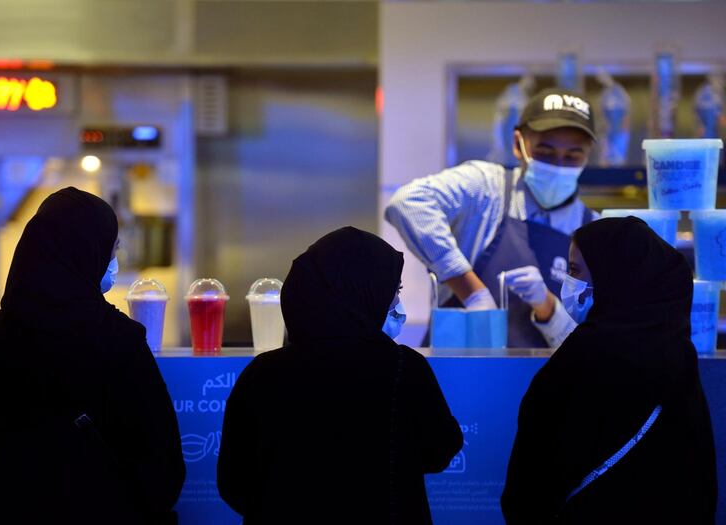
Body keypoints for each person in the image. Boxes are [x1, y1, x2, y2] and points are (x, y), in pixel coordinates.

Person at [0, 187, 185, 525]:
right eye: (112, 249)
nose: (114, 260)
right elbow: (162, 467)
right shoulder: (119, 339)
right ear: (88, 253)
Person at [217, 226, 463, 524]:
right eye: (392, 292)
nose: (395, 303)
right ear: (366, 293)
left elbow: (234, 483)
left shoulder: (261, 374)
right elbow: (439, 451)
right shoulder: (403, 368)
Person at [501, 217, 717, 524]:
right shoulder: (677, 353)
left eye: (575, 271)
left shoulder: (581, 356)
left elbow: (532, 478)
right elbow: (698, 474)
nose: (567, 284)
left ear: (611, 276)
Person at [385, 88, 598, 347]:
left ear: (587, 155)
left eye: (573, 155)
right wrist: (473, 292)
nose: (558, 165)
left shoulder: (595, 230)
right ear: (518, 144)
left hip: (543, 382)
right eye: (545, 151)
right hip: (458, 374)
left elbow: (588, 344)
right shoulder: (487, 189)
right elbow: (408, 202)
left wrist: (548, 307)